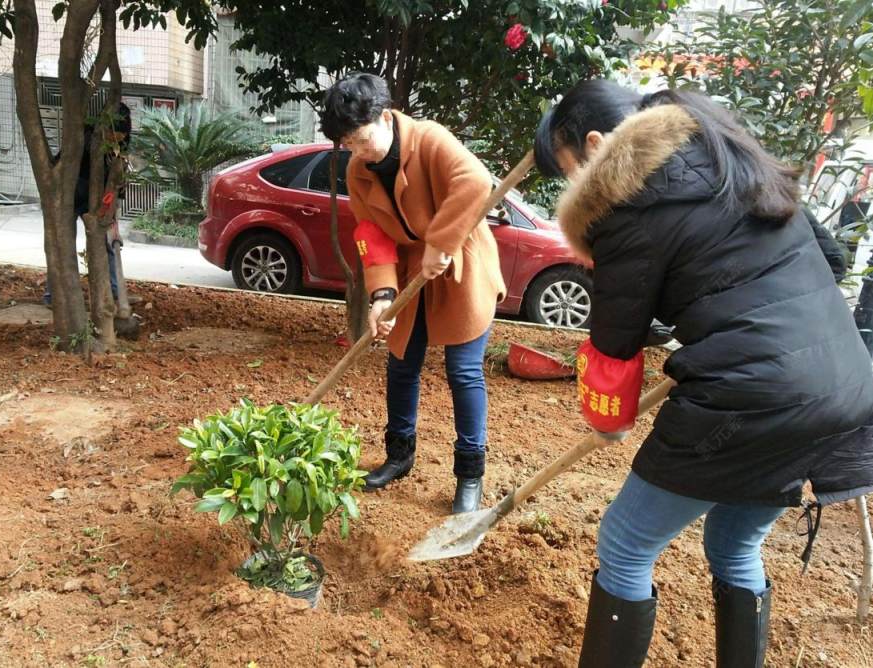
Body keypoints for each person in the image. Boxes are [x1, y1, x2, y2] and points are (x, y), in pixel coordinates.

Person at [533, 79, 873, 667]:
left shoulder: (626, 204)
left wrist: (607, 420)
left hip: (752, 399)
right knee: (735, 543)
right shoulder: (732, 159)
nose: (574, 187)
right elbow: (832, 258)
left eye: (570, 171)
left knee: (625, 543)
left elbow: (615, 344)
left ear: (596, 144)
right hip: (846, 384)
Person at [320, 73, 505, 514]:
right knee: (402, 364)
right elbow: (370, 231)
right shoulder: (358, 170)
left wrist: (441, 243)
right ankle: (399, 456)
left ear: (385, 117)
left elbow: (477, 184)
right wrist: (382, 294)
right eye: (348, 144)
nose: (358, 152)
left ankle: (469, 474)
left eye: (362, 139)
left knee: (463, 371)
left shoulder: (431, 140)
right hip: (409, 272)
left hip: (462, 261)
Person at [44, 102, 131, 305]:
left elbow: (117, 179)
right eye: (114, 133)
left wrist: (112, 207)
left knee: (104, 245)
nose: (117, 138)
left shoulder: (120, 146)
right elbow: (64, 173)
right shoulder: (83, 140)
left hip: (95, 201)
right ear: (104, 127)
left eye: (122, 135)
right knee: (63, 245)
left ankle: (112, 292)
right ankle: (54, 296)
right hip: (68, 198)